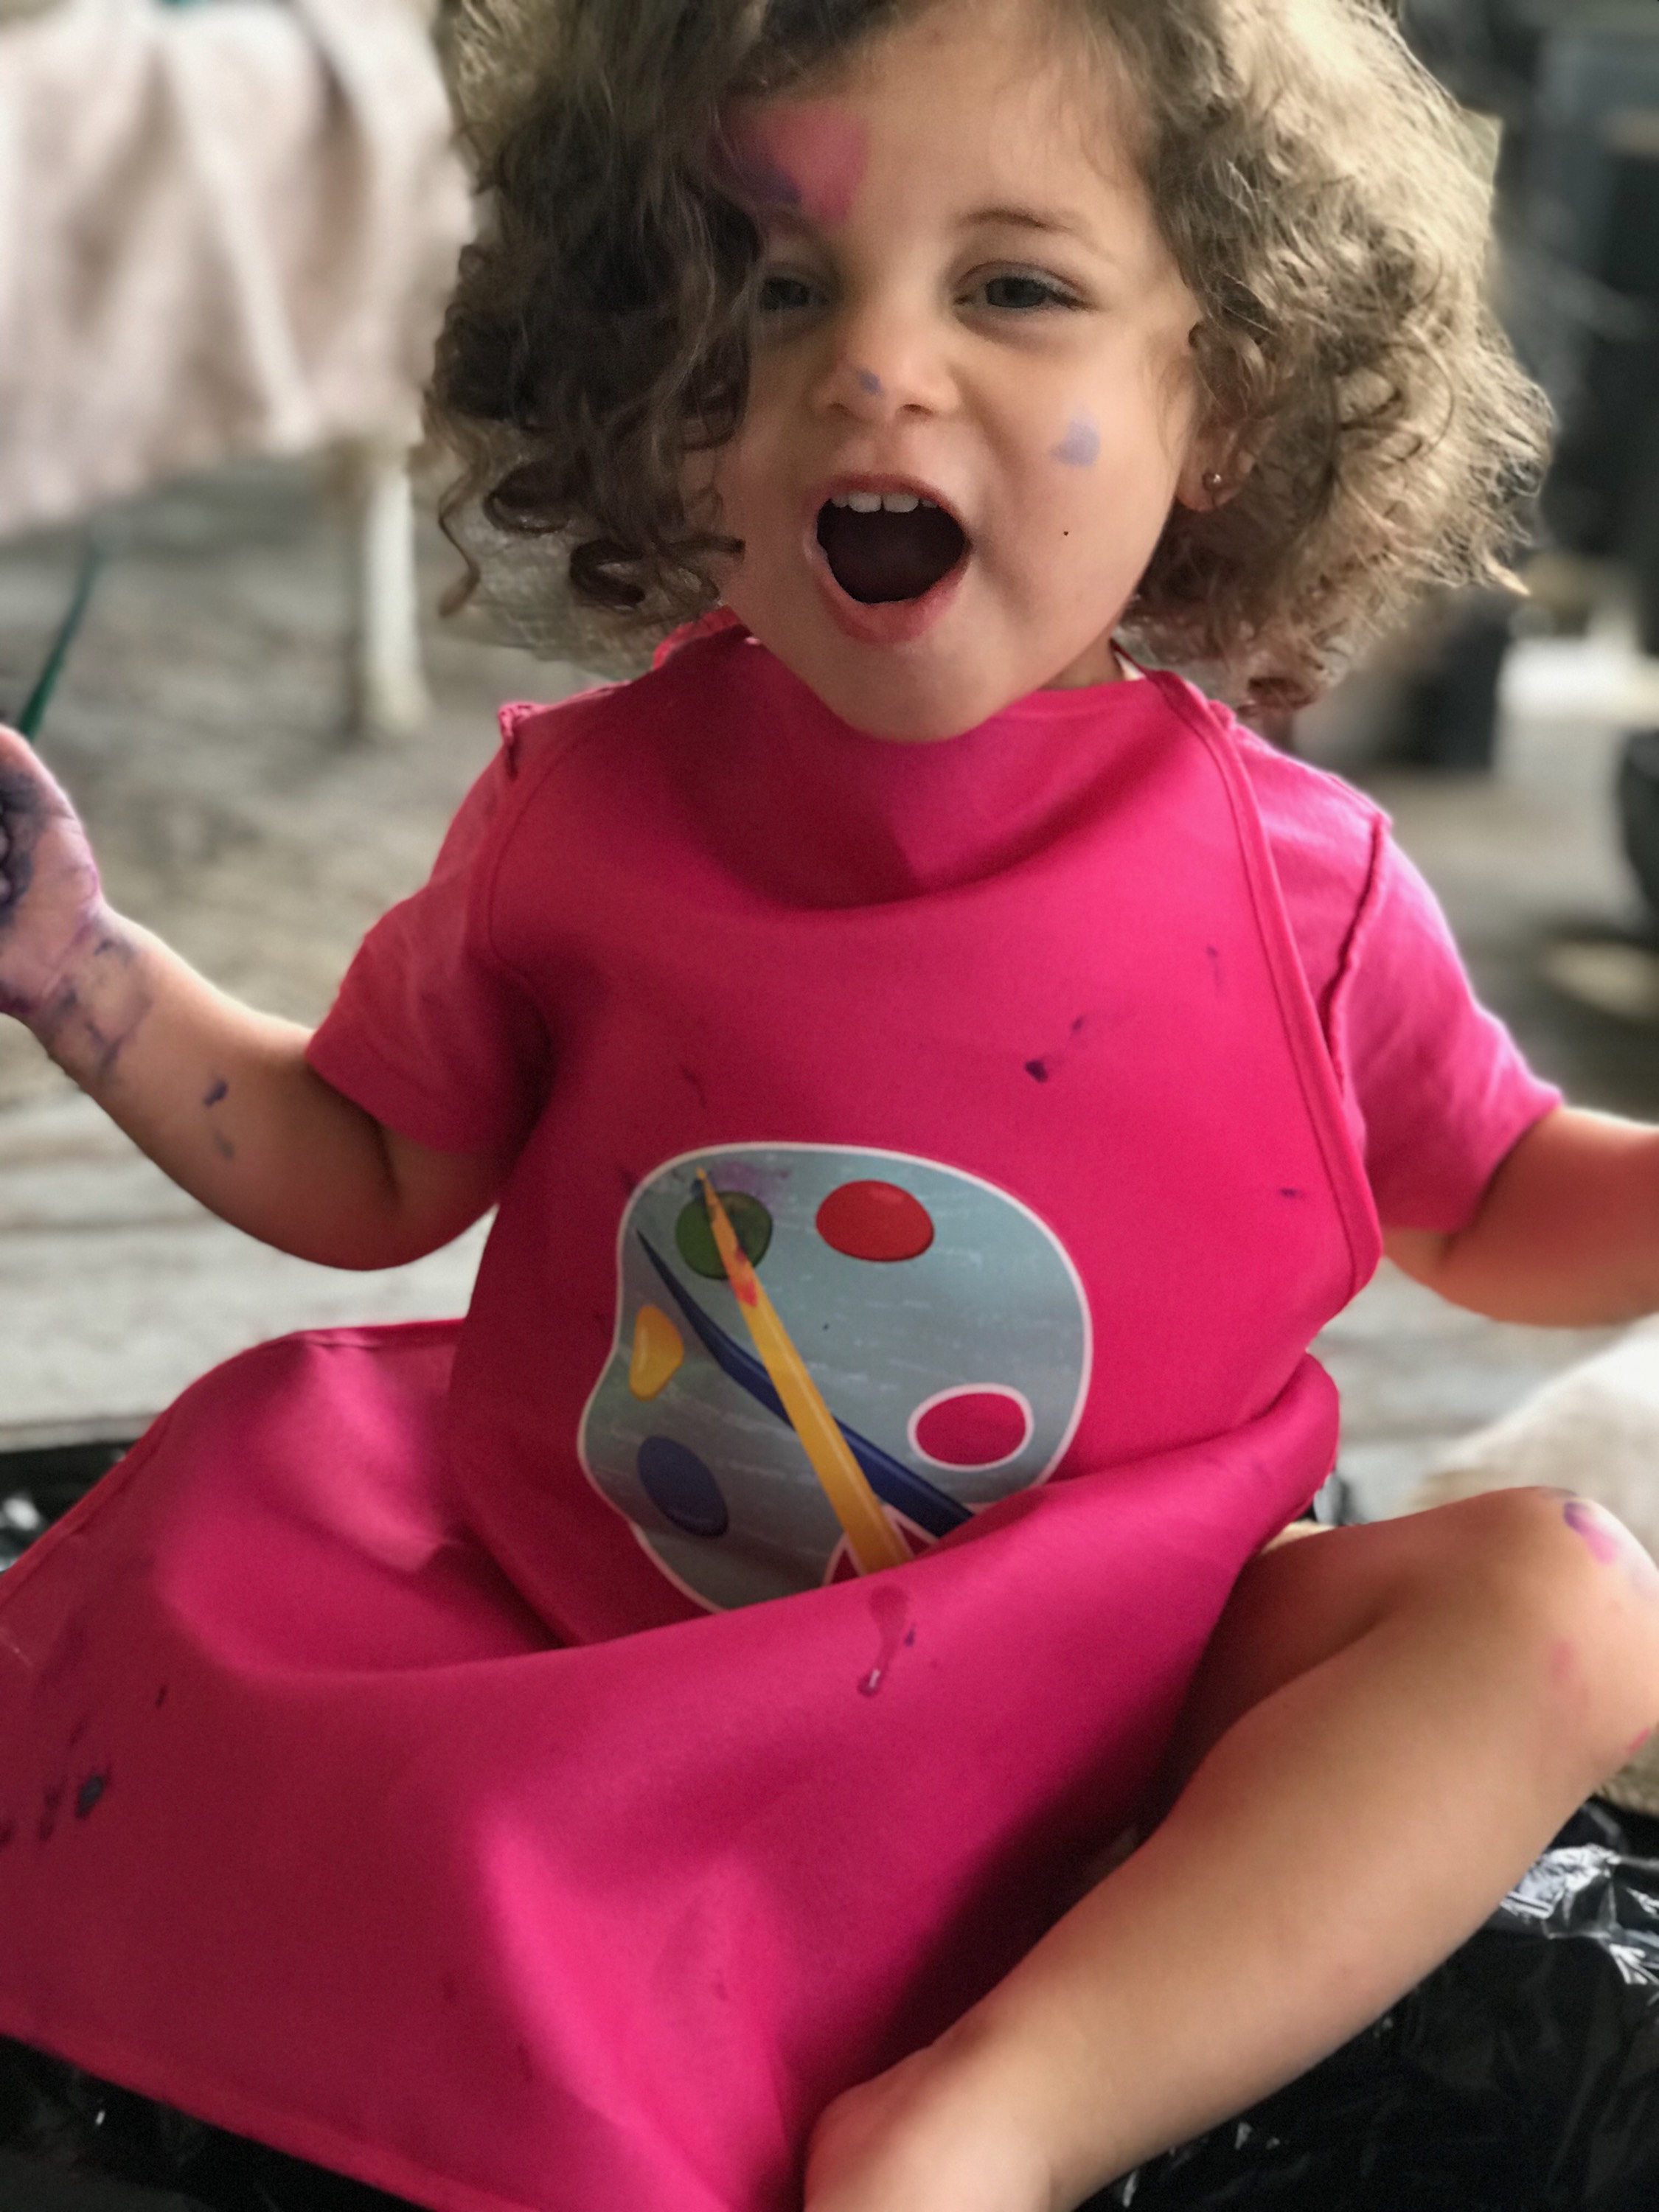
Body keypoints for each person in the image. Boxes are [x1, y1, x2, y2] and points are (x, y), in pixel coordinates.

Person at [0, 2, 1658, 2208]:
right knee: (221, 1706)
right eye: (784, 289)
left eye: (1015, 285)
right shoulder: (583, 820)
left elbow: (1501, 1202)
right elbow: (372, 1164)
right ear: (669, 390)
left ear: (1230, 404)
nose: (875, 363)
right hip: (608, 1661)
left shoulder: (1303, 894)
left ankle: (993, 2120)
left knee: (1568, 1606)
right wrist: (84, 972)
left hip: (1108, 1700)